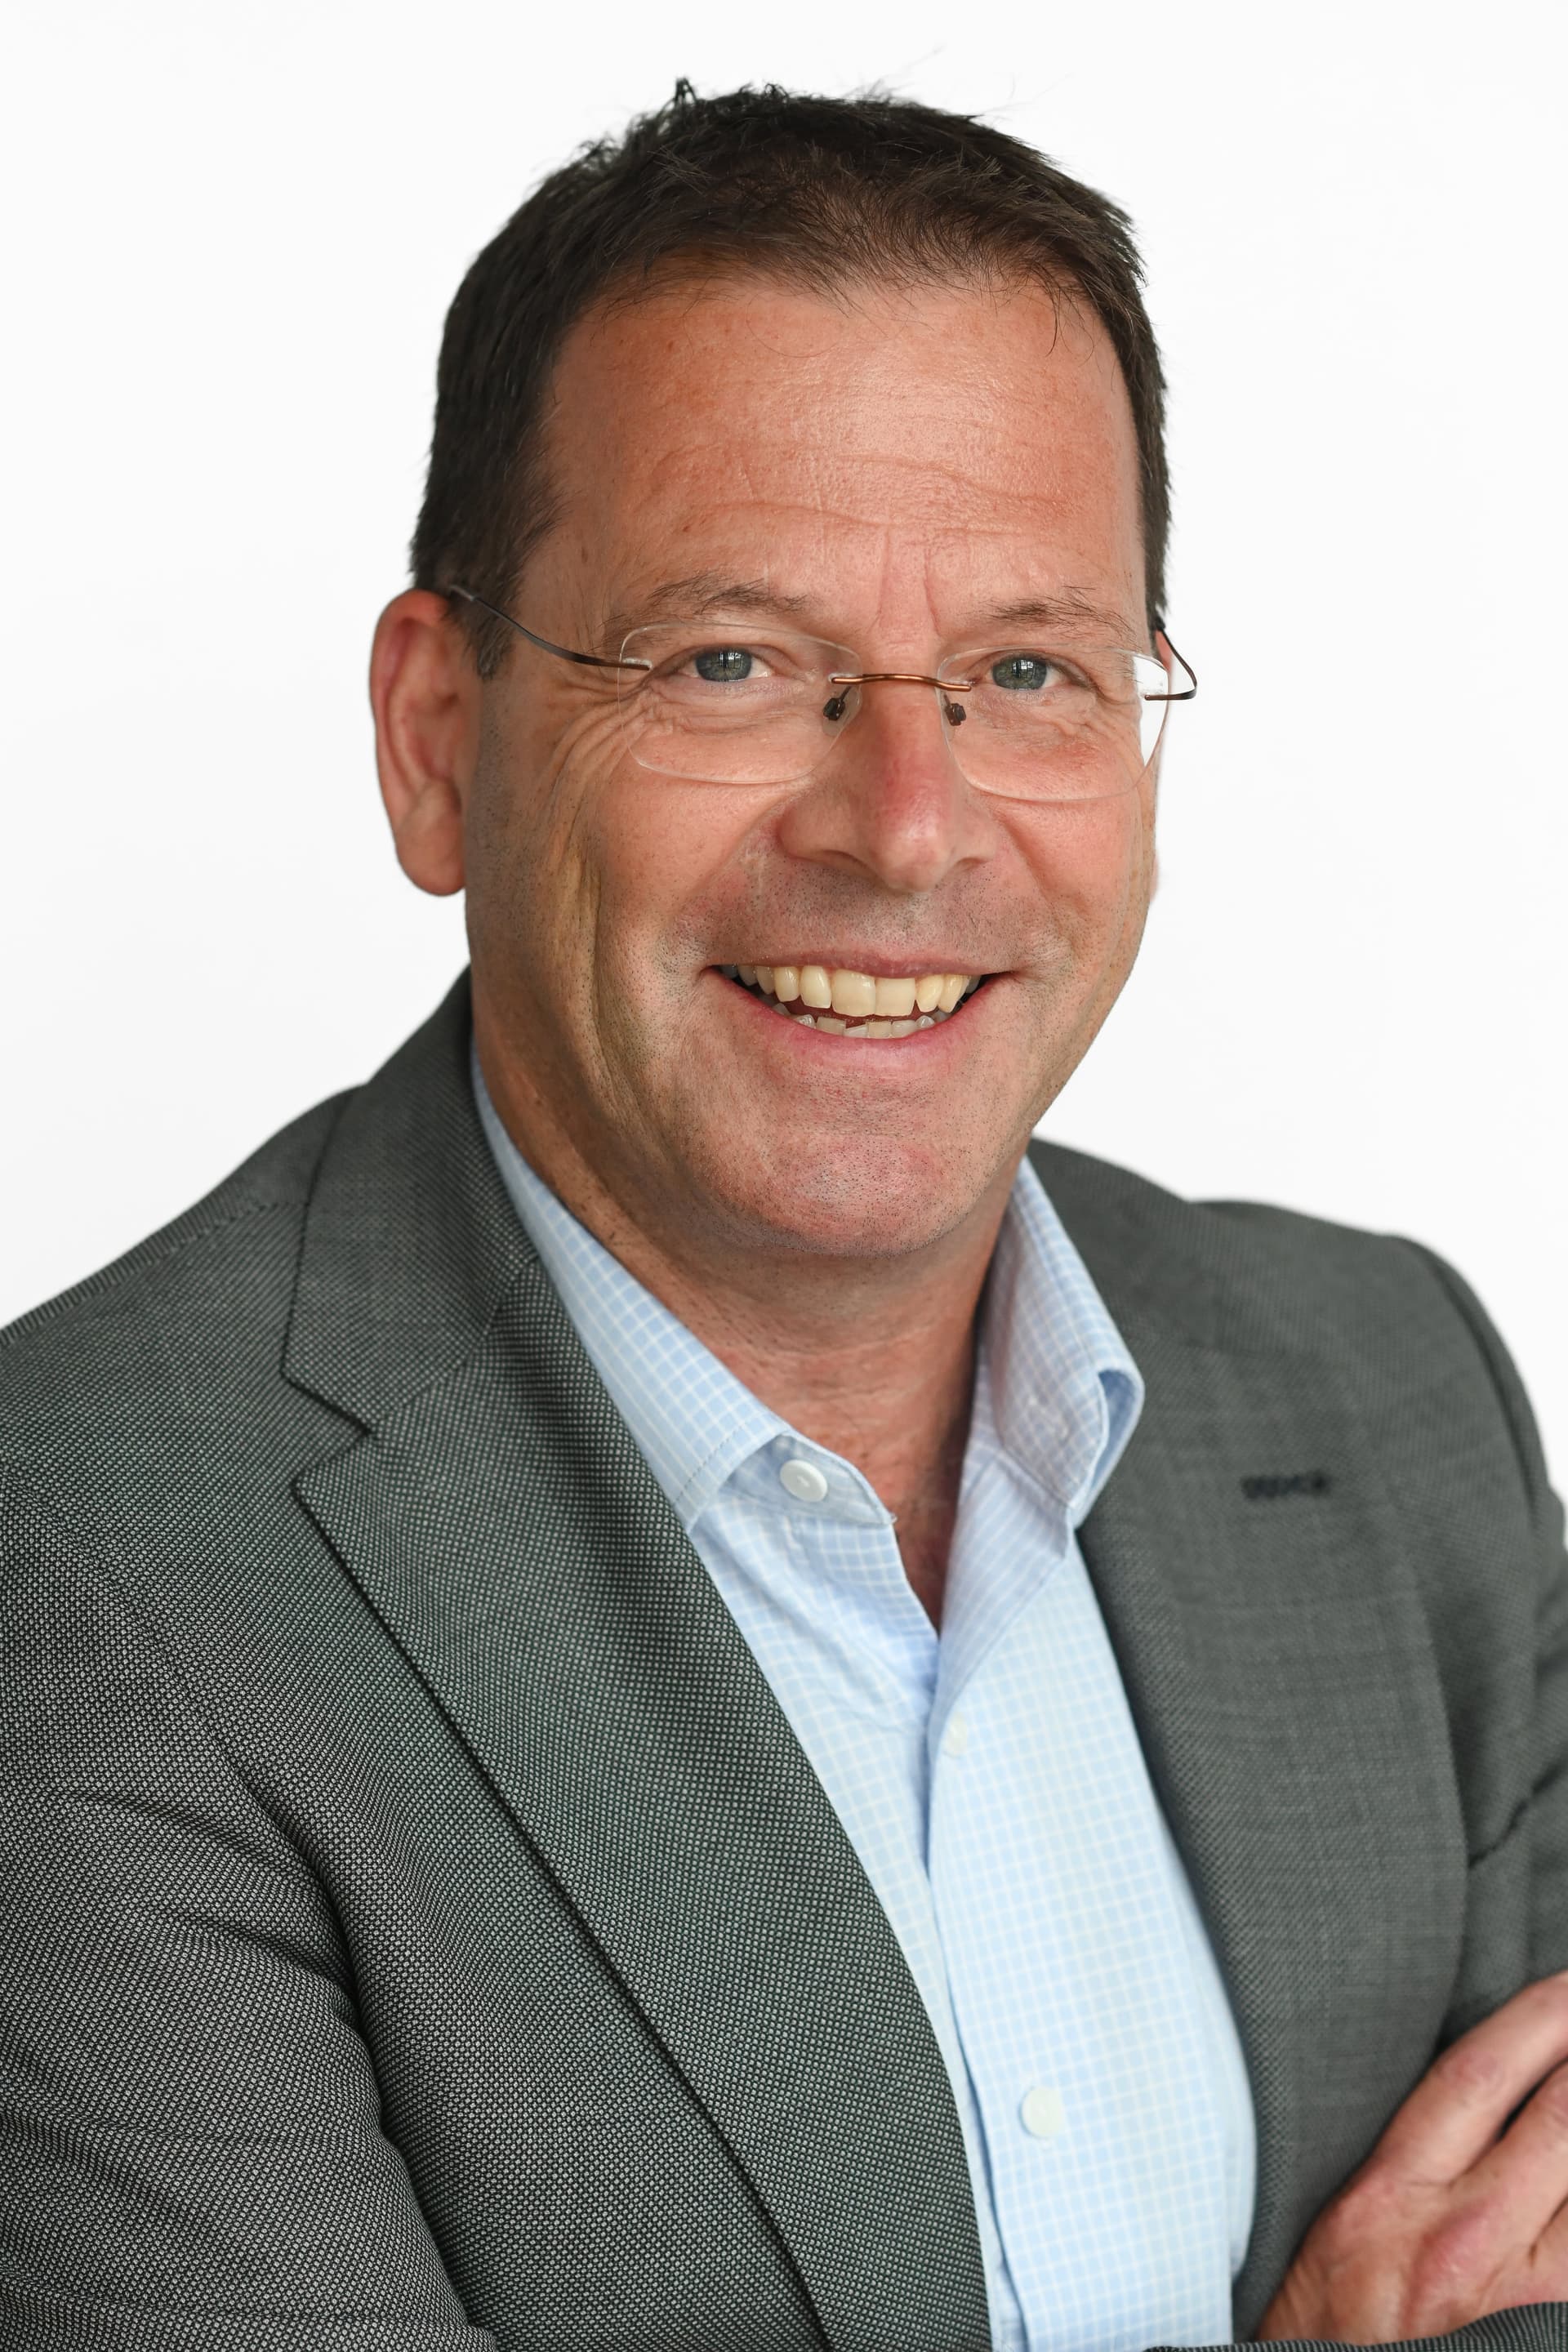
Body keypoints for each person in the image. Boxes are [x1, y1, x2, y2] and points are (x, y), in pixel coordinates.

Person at [2, 79, 1564, 2352]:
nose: (908, 826)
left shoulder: (1393, 1398)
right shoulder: (86, 1576)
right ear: (439, 736)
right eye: (730, 660)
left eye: (1028, 671)